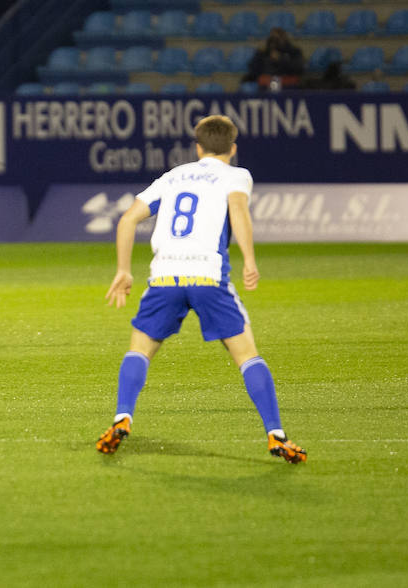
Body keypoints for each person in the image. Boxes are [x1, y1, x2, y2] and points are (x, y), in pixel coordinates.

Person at [96, 114, 306, 464]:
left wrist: (122, 270)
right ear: (233, 148)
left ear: (197, 147)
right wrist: (250, 260)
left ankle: (122, 416)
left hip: (164, 277)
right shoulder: (236, 175)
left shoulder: (172, 176)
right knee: (247, 356)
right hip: (208, 277)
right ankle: (276, 434)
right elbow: (238, 210)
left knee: (139, 350)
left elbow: (127, 219)